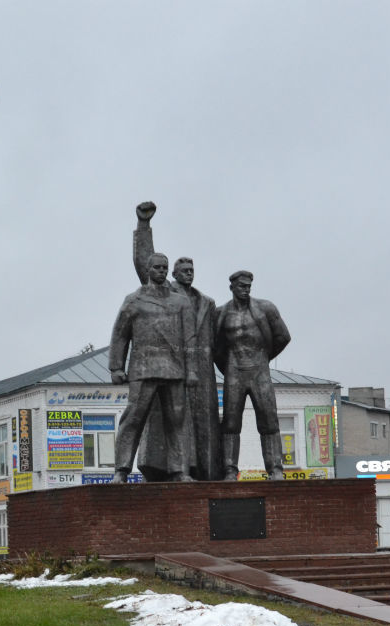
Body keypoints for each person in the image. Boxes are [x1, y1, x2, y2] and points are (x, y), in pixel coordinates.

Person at [131, 202, 220, 481]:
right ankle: (168, 469)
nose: (189, 273)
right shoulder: (164, 293)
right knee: (172, 422)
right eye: (183, 270)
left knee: (197, 425)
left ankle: (196, 469)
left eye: (192, 269)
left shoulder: (206, 302)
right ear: (173, 274)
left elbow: (215, 340)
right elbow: (144, 260)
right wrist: (144, 226)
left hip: (199, 373)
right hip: (169, 367)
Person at [108, 248, 194, 483]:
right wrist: (116, 367)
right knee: (133, 419)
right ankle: (121, 470)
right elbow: (120, 335)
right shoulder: (134, 300)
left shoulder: (180, 301)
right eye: (157, 267)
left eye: (165, 267)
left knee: (176, 421)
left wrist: (192, 370)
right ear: (147, 270)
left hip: (174, 369)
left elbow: (190, 339)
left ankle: (179, 471)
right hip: (143, 368)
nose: (162, 271)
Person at [214, 270, 291, 480]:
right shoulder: (221, 313)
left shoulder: (265, 308)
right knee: (230, 423)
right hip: (234, 372)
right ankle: (230, 469)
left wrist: (263, 358)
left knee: (269, 420)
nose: (246, 290)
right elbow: (215, 347)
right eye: (241, 286)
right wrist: (228, 365)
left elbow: (283, 336)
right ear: (232, 287)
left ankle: (275, 468)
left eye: (248, 286)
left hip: (259, 371)